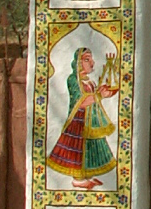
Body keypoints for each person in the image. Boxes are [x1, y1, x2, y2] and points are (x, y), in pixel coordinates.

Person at [47, 46, 117, 187]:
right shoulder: (73, 80)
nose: (92, 63)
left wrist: (107, 93)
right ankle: (78, 181)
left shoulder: (89, 81)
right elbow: (81, 102)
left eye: (91, 59)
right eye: (87, 59)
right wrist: (98, 95)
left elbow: (94, 98)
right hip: (78, 121)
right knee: (77, 149)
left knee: (91, 148)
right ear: (78, 62)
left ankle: (86, 178)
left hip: (91, 121)